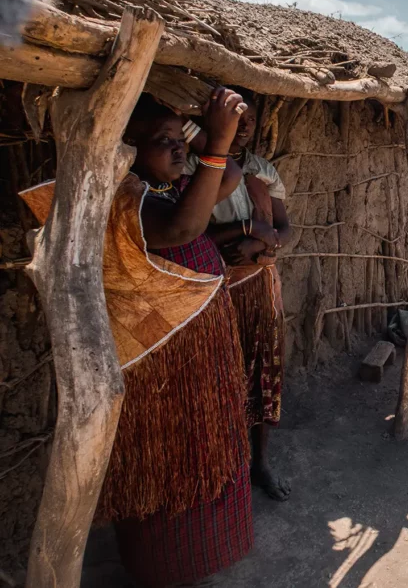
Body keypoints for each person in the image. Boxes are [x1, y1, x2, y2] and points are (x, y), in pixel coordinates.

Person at [111, 90, 252, 586]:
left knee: (205, 449)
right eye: (162, 141)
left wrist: (199, 138)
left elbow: (230, 176)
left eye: (180, 140)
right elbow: (183, 228)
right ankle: (162, 569)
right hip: (161, 365)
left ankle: (199, 559)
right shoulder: (129, 197)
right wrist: (213, 140)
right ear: (126, 147)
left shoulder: (169, 188)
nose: (177, 150)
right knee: (169, 460)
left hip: (196, 356)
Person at [191, 94, 293, 502]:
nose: (246, 125)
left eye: (251, 118)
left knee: (262, 372)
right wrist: (247, 231)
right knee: (220, 376)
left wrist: (264, 248)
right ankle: (223, 465)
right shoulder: (195, 168)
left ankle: (260, 463)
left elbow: (285, 229)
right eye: (237, 117)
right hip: (216, 288)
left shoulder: (262, 170)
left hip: (261, 284)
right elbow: (190, 232)